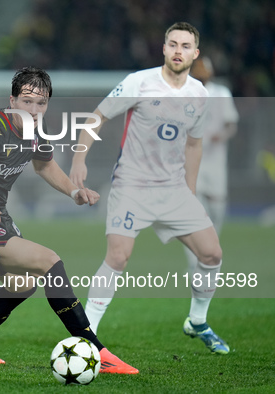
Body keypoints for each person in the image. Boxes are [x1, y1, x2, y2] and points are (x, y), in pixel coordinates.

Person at [0, 66, 138, 374]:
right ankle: (95, 350)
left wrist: (74, 191)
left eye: (41, 103)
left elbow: (44, 167)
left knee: (22, 283)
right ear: (12, 100)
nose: (34, 109)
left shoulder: (37, 131)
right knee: (49, 261)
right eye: (27, 101)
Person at [69, 22, 230, 354]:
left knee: (212, 253)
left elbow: (194, 145)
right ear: (164, 48)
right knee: (118, 256)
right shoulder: (139, 82)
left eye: (185, 46)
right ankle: (87, 333)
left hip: (172, 189)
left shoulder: (200, 94)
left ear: (195, 53)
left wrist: (189, 189)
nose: (178, 51)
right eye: (172, 44)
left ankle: (197, 321)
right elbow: (97, 118)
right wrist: (78, 160)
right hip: (132, 186)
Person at [183, 57, 238, 274]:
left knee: (217, 208)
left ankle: (210, 254)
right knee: (191, 212)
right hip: (189, 162)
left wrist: (221, 136)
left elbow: (231, 124)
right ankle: (193, 262)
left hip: (214, 162)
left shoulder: (222, 94)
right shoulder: (184, 94)